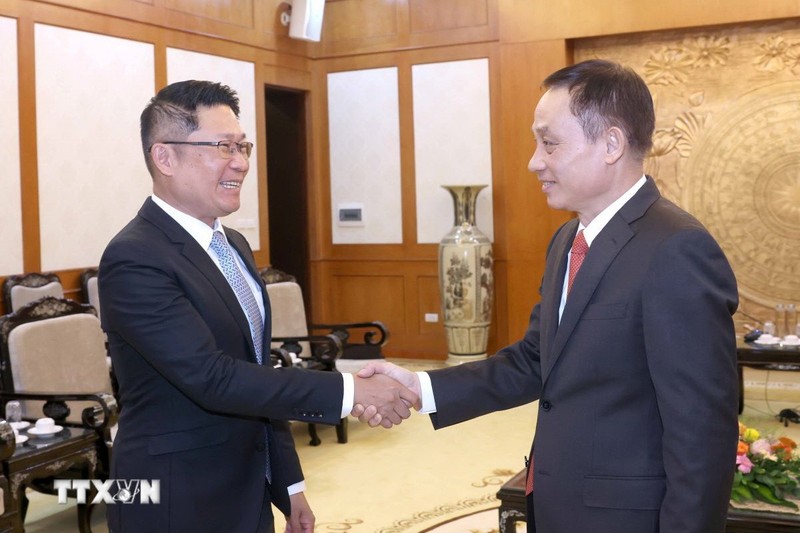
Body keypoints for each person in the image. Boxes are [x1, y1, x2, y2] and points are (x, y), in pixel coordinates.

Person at [355, 60, 739, 533]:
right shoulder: (567, 241)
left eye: (550, 143)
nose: (534, 160)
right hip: (557, 503)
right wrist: (421, 388)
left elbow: (702, 431)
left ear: (612, 144)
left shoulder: (676, 249)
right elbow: (536, 360)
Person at [98, 80, 417, 533]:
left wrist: (287, 482)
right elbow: (212, 378)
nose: (242, 163)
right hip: (173, 497)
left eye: (242, 146)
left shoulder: (233, 245)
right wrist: (350, 392)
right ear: (164, 157)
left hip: (245, 488)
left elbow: (255, 366)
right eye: (224, 146)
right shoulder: (135, 256)